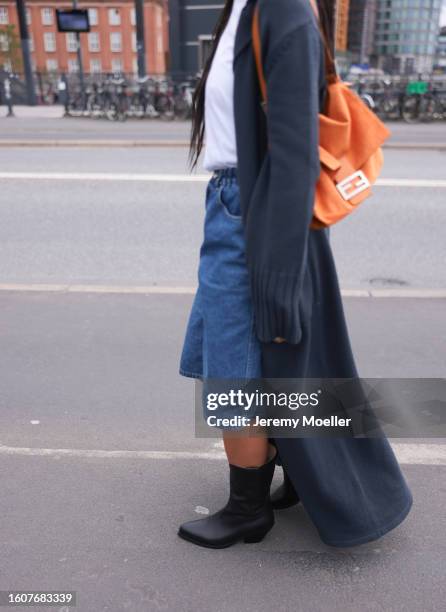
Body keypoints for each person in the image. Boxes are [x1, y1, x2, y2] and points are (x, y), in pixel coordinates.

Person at [177, 0, 413, 549]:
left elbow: (294, 149)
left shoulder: (280, 8)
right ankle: (296, 477)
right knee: (268, 355)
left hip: (255, 209)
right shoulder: (252, 8)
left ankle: (247, 509)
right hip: (242, 203)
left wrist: (280, 266)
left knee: (233, 368)